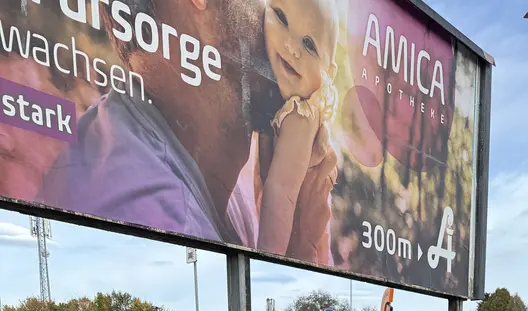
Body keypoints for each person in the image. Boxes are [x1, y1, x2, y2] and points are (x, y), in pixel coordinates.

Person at [38, 0, 337, 259]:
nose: (289, 46)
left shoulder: (210, 171)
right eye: (280, 15)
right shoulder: (148, 212)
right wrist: (302, 252)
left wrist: (302, 242)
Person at [257, 0, 340, 263]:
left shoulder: (300, 114)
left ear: (329, 72)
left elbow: (281, 192)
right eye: (281, 17)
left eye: (309, 44)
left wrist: (266, 257)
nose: (292, 47)